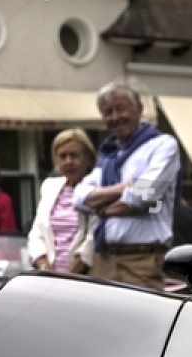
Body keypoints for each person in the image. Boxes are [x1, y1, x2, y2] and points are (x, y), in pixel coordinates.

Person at [74, 80, 181, 289]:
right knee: (100, 321)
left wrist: (102, 210)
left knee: (144, 320)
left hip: (142, 260)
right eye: (108, 112)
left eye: (120, 109)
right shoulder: (109, 156)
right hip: (103, 258)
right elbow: (78, 198)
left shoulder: (163, 145)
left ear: (139, 109)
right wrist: (125, 187)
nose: (115, 117)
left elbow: (143, 196)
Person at [28, 128, 96, 274]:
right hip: (49, 274)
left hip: (83, 275)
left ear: (88, 158)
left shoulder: (96, 189)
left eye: (74, 156)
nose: (68, 162)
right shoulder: (49, 186)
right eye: (63, 156)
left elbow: (93, 238)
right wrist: (45, 266)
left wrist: (68, 276)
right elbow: (36, 233)